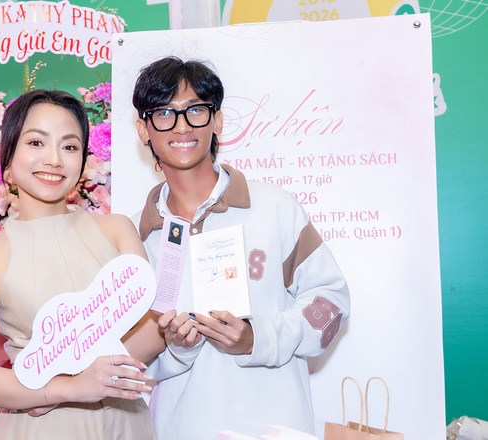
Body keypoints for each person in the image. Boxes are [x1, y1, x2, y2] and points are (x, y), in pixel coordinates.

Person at [131, 56, 351, 439]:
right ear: (143, 128)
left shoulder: (273, 207)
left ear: (216, 120)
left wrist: (257, 337)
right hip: (180, 428)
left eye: (195, 110)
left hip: (275, 425)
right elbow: (129, 360)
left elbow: (331, 304)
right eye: (164, 113)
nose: (182, 126)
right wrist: (178, 347)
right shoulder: (136, 235)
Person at [0, 89, 165, 439]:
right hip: (38, 426)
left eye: (69, 146)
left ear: (83, 161)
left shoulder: (116, 230)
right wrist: (66, 388)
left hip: (123, 423)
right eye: (36, 143)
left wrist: (78, 379)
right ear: (8, 158)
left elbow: (153, 328)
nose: (53, 159)